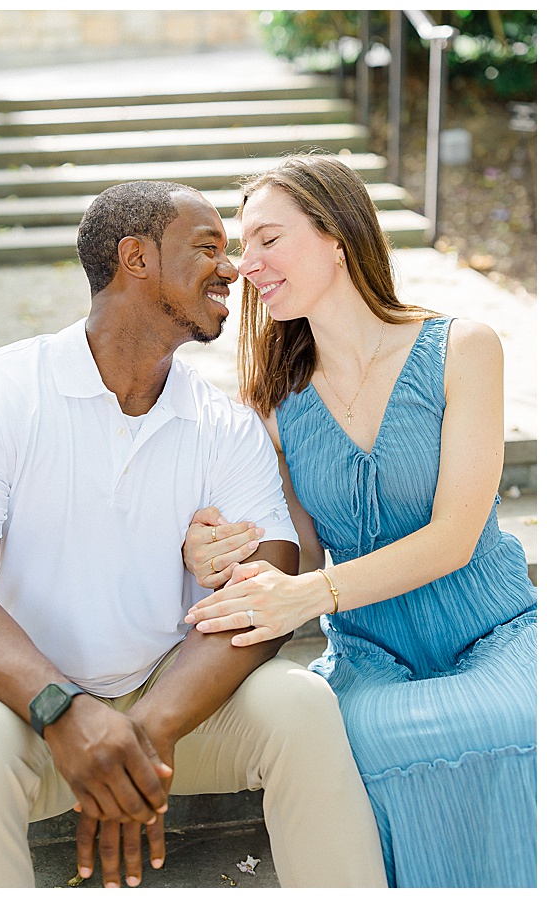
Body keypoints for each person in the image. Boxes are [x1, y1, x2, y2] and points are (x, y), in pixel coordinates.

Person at [0, 180, 388, 888]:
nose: (234, 269)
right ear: (136, 258)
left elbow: (268, 590)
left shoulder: (225, 425)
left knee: (301, 706)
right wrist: (63, 712)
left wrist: (150, 728)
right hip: (23, 704)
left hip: (177, 701)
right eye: (209, 248)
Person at [182, 153, 536, 887]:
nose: (248, 264)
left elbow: (455, 535)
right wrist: (217, 548)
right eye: (244, 247)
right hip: (373, 653)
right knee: (372, 736)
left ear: (338, 236)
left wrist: (309, 596)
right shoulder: (275, 403)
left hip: (495, 629)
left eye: (268, 240)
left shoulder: (463, 349)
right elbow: (300, 552)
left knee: (516, 722)